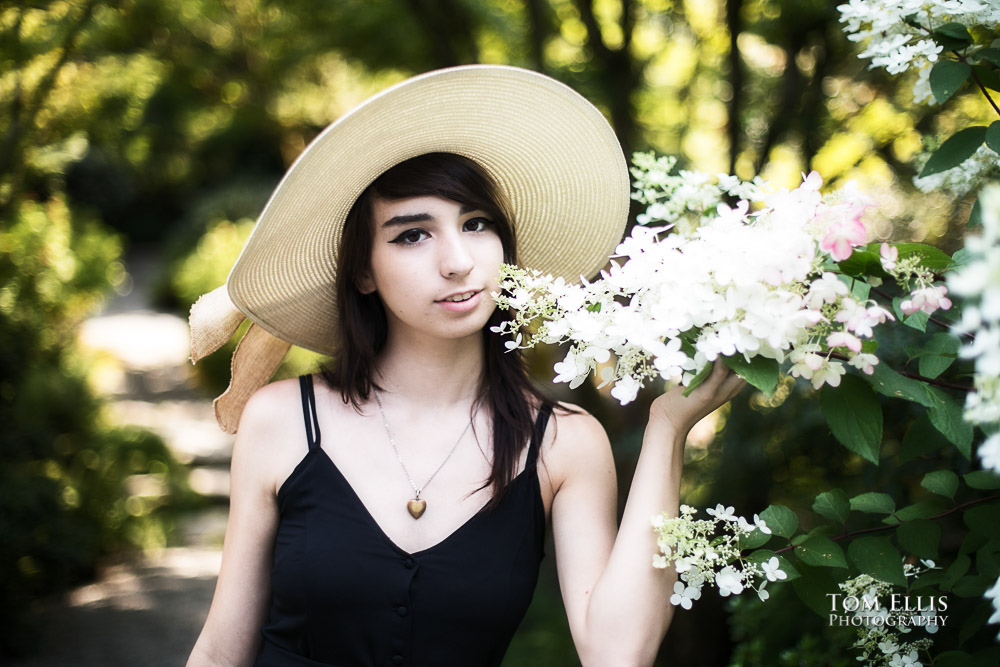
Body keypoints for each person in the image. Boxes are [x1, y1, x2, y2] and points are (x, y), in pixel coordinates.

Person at [186, 65, 745, 667]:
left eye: (476, 225)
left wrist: (668, 429)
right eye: (412, 236)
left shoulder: (563, 442)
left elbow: (618, 654)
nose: (457, 261)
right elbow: (222, 649)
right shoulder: (283, 420)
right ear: (363, 271)